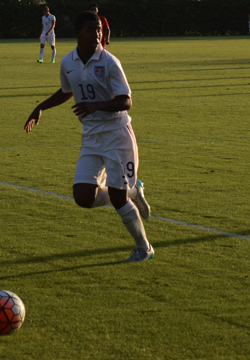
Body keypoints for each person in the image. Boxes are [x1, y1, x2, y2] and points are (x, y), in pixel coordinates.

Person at [24, 11, 153, 263]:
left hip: (117, 136)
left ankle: (143, 247)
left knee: (117, 198)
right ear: (77, 33)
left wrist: (96, 106)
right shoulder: (67, 62)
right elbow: (66, 91)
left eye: (99, 30)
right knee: (83, 197)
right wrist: (40, 107)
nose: (97, 34)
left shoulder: (110, 62)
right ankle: (133, 192)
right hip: (91, 138)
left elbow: (126, 101)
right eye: (91, 30)